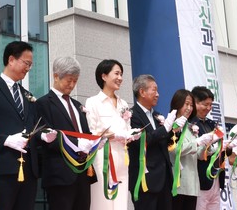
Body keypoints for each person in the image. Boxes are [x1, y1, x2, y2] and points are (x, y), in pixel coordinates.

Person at [0, 41, 57, 210]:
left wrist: (42, 134)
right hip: (2, 167)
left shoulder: (27, 95)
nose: (28, 68)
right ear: (11, 60)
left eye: (30, 65)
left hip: (28, 170)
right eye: (26, 63)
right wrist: (5, 139)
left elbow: (33, 126)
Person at [36, 56, 96, 210]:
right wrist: (77, 144)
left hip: (82, 173)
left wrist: (95, 141)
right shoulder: (43, 103)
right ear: (56, 76)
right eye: (69, 80)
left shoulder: (77, 105)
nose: (72, 85)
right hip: (60, 175)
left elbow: (85, 133)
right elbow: (47, 137)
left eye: (75, 81)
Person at [85, 58, 140, 210]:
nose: (120, 78)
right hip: (103, 160)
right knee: (103, 202)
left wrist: (132, 134)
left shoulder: (123, 104)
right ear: (104, 76)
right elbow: (91, 133)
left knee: (121, 203)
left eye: (121, 74)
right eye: (116, 73)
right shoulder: (93, 102)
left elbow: (127, 129)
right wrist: (113, 135)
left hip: (123, 158)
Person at [128, 74, 183, 210]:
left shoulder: (157, 115)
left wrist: (175, 131)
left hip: (164, 179)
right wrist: (165, 128)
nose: (158, 94)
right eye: (154, 90)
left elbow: (166, 143)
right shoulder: (131, 115)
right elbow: (142, 141)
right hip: (145, 180)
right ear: (142, 92)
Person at [168, 89, 217, 210]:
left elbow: (199, 155)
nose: (189, 108)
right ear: (177, 104)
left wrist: (208, 144)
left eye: (191, 105)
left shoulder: (190, 127)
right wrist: (197, 142)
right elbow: (173, 150)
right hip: (178, 182)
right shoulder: (170, 125)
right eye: (187, 104)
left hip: (192, 184)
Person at [191, 86, 226, 210]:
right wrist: (211, 148)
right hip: (200, 179)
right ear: (195, 103)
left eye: (210, 105)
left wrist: (226, 147)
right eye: (205, 104)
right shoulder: (189, 124)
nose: (209, 108)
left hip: (215, 178)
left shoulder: (212, 124)